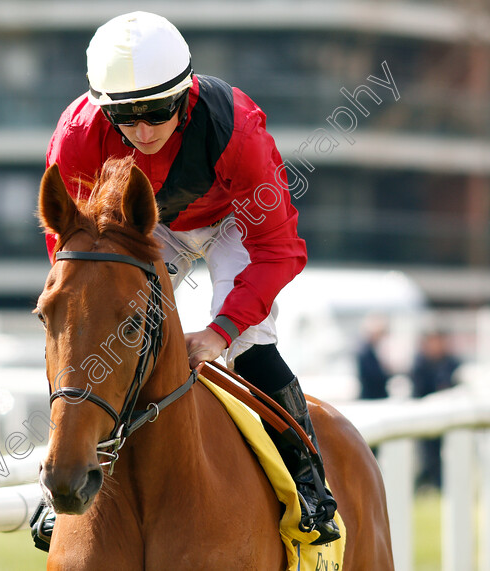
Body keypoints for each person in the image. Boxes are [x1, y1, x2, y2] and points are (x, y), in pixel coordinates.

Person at [39, 11, 339, 545]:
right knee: (97, 341)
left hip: (236, 222)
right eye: (125, 117)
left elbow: (277, 249)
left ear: (186, 93)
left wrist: (219, 331)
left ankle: (307, 478)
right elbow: (73, 253)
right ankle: (60, 480)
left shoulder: (236, 130)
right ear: (100, 108)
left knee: (250, 344)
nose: (143, 130)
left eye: (157, 111)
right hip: (146, 227)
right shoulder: (79, 135)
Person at [411, 330, 459, 489]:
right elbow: (418, 389)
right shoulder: (420, 362)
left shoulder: (450, 361)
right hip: (424, 416)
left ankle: (437, 482)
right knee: (428, 453)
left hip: (448, 415)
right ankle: (430, 482)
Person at [356, 314, 391, 401]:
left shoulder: (376, 349)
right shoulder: (365, 351)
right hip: (371, 396)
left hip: (378, 395)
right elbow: (373, 376)